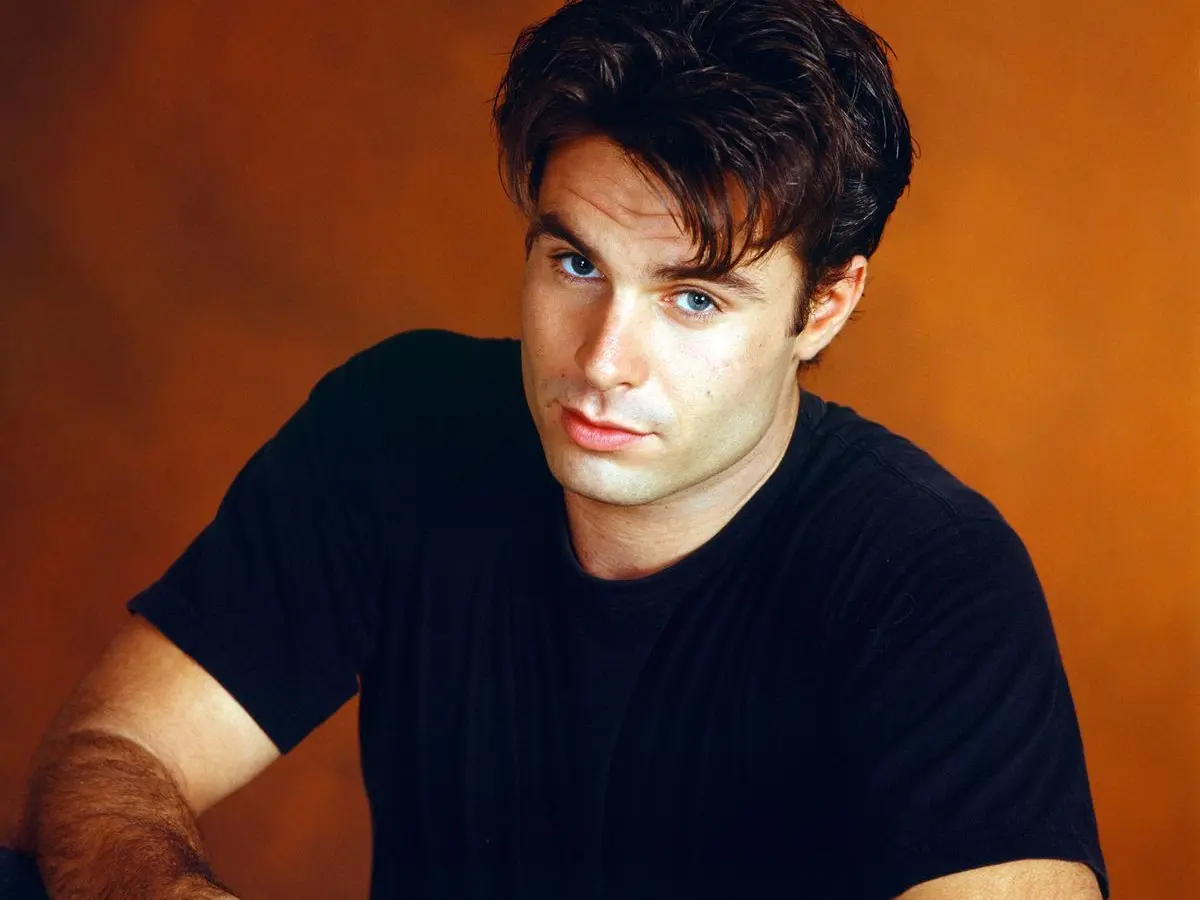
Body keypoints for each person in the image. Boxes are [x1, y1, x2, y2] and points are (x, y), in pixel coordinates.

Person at [13, 0, 1108, 897]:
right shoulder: (401, 427)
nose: (602, 362)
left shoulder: (930, 574)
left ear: (823, 306)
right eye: (576, 265)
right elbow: (110, 760)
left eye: (693, 298)